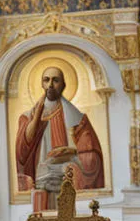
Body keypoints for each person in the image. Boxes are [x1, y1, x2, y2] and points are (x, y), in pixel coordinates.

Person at [16, 66, 104, 212]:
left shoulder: (77, 118)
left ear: (63, 85)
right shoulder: (29, 116)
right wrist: (37, 117)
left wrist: (72, 151)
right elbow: (23, 150)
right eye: (46, 80)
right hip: (43, 176)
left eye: (55, 80)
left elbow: (92, 155)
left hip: (66, 173)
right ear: (41, 84)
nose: (50, 85)